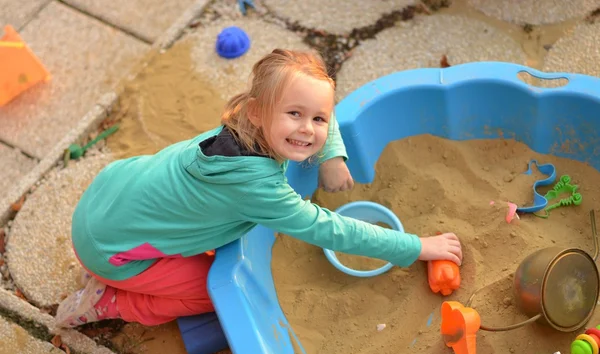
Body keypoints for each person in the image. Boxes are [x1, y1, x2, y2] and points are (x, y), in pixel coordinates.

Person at [55, 48, 462, 329]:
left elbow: (315, 102)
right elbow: (332, 230)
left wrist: (331, 154)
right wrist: (418, 247)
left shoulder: (241, 124)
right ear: (258, 111)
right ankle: (109, 303)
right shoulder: (259, 189)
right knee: (211, 290)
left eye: (318, 120)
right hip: (111, 253)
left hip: (106, 197)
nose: (307, 128)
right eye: (294, 115)